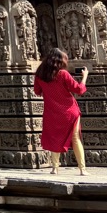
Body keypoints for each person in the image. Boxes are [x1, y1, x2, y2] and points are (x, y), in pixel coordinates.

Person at [33, 47, 88, 176]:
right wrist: (84, 77)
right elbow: (79, 90)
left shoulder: (40, 75)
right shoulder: (63, 74)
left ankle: (55, 168)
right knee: (75, 138)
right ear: (59, 61)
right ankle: (82, 169)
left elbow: (37, 92)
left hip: (51, 112)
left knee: (54, 138)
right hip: (69, 111)